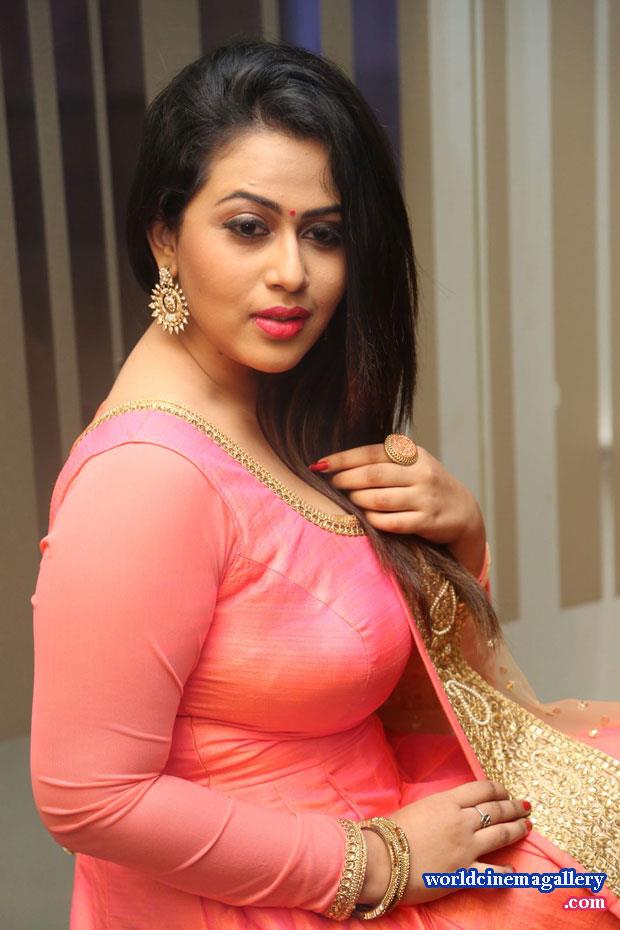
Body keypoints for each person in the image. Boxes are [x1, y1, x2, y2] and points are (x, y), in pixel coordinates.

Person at [29, 39, 620, 929]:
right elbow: (87, 797)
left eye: (325, 233)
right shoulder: (146, 479)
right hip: (269, 896)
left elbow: (345, 657)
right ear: (165, 236)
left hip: (392, 832)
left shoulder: (272, 411)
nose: (292, 273)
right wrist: (379, 860)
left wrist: (455, 541)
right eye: (249, 227)